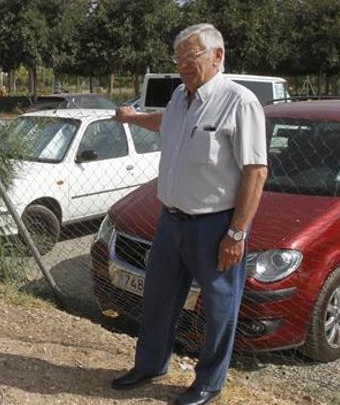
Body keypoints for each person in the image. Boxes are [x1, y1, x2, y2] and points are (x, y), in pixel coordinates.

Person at [111, 23, 268, 405]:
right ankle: (150, 365)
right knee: (158, 298)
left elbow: (256, 171)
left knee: (218, 307)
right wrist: (132, 118)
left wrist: (236, 234)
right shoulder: (181, 97)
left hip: (214, 227)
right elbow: (165, 124)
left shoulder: (239, 102)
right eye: (178, 57)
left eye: (191, 56)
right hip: (171, 221)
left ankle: (208, 384)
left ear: (218, 55)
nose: (182, 64)